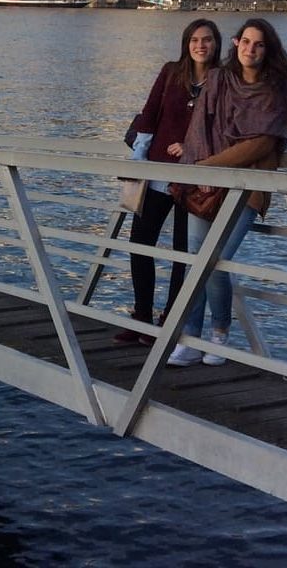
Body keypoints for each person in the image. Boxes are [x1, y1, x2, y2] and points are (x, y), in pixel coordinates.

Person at [167, 18, 287, 367]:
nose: (250, 50)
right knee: (196, 260)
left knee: (217, 259)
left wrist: (212, 165)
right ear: (236, 44)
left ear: (267, 50)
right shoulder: (219, 80)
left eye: (258, 45)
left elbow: (261, 144)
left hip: (249, 185)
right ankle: (191, 337)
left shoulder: (276, 91)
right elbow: (201, 127)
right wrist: (199, 168)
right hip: (206, 184)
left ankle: (220, 334)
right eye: (246, 43)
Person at [115, 20, 222, 345]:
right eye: (194, 39)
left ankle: (169, 322)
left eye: (206, 40)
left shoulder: (222, 80)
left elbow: (224, 129)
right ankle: (142, 315)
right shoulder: (171, 72)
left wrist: (194, 148)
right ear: (186, 43)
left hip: (194, 178)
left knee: (181, 252)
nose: (200, 45)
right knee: (139, 243)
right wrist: (139, 160)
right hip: (159, 171)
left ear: (216, 44)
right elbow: (150, 113)